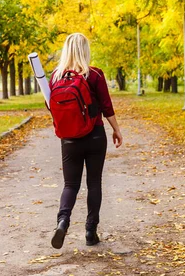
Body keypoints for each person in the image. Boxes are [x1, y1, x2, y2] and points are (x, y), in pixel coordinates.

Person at [49, 33, 123, 249]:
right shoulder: (95, 75)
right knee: (94, 183)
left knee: (70, 184)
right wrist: (116, 130)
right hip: (95, 136)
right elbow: (106, 106)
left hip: (69, 139)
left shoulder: (55, 77)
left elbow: (51, 108)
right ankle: (91, 231)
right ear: (85, 50)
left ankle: (62, 221)